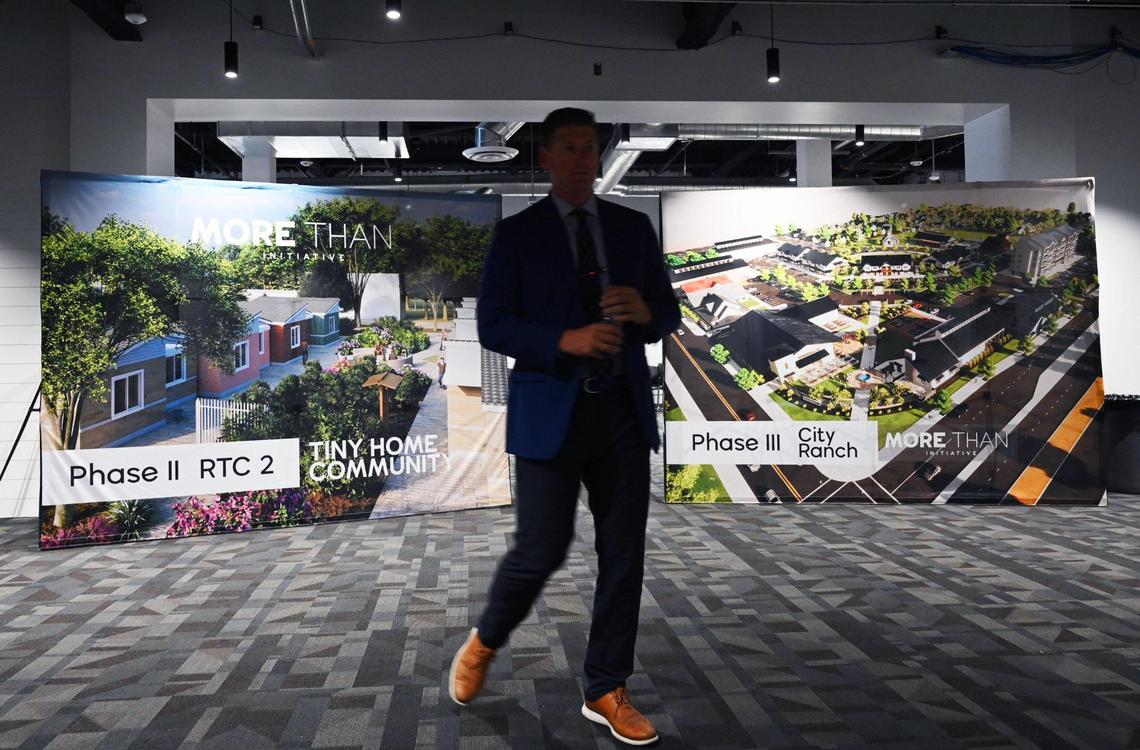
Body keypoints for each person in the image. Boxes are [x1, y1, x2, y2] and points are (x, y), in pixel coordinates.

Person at [448, 107, 679, 746]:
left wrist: (647, 311)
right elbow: (495, 324)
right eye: (570, 148)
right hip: (551, 413)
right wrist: (564, 338)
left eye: (590, 148)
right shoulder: (519, 235)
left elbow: (667, 311)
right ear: (544, 157)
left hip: (622, 414)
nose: (583, 159)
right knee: (541, 548)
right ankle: (486, 640)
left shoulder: (632, 230)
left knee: (623, 555)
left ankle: (606, 686)